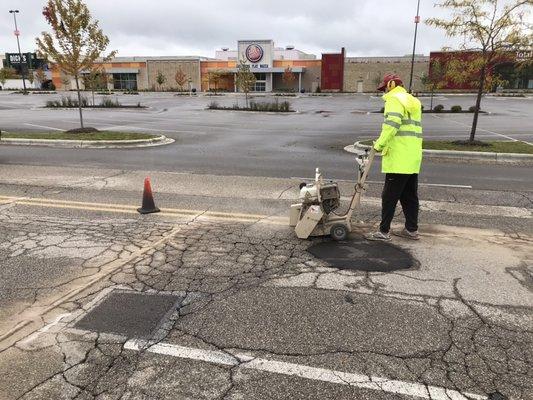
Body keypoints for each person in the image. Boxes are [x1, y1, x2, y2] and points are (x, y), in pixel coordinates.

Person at [366, 73, 423, 241]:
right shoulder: (413, 100)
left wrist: (378, 145)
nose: (384, 91)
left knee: (389, 196)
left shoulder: (394, 99)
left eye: (384, 87)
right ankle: (411, 230)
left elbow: (392, 125)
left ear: (390, 85)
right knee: (409, 195)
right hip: (412, 157)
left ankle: (383, 232)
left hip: (399, 157)